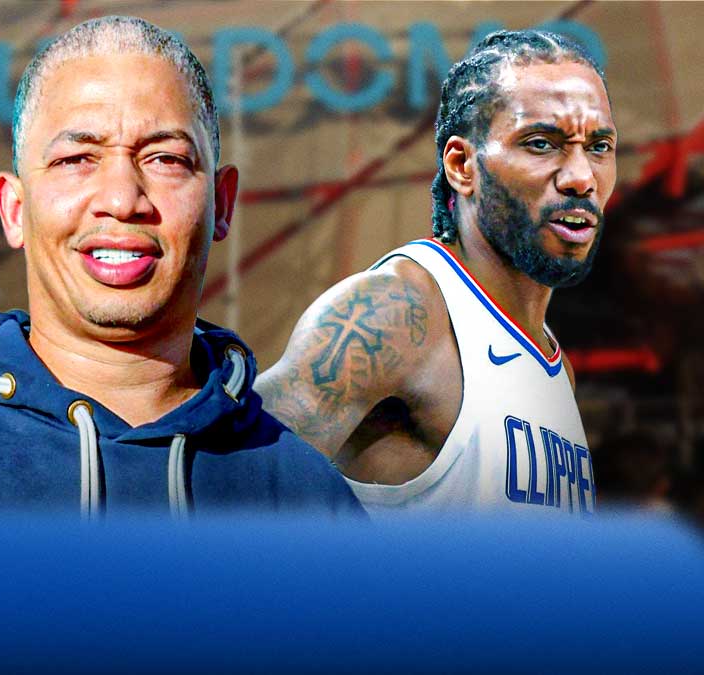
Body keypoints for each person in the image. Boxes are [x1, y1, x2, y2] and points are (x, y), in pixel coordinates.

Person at [0, 16, 360, 517]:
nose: (122, 197)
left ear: (223, 204)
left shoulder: (309, 503)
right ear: (15, 208)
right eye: (77, 158)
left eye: (165, 158)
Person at [255, 30, 616, 516]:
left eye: (598, 146)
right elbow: (216, 493)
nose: (581, 177)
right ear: (462, 165)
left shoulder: (554, 364)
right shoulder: (391, 317)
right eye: (541, 143)